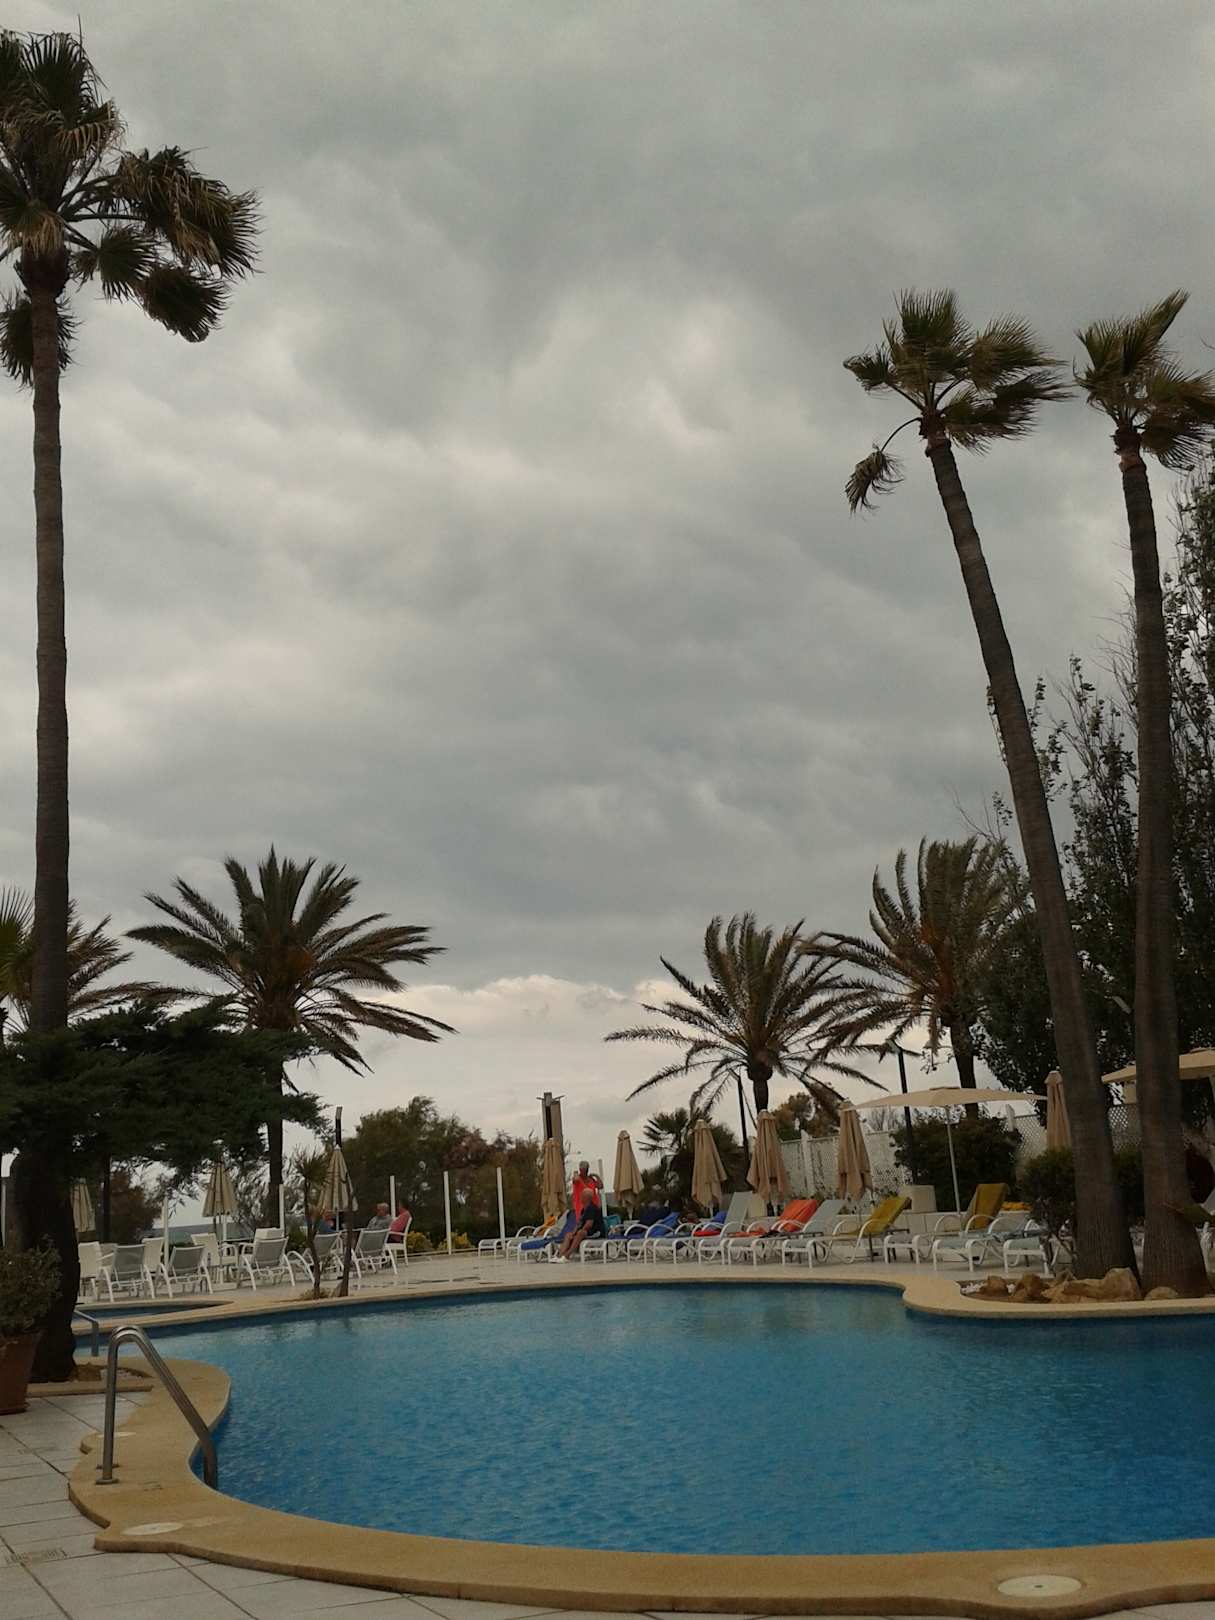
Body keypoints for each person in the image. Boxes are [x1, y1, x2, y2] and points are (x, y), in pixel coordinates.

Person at [551, 1195, 605, 1262]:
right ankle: (560, 1255)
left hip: (596, 1232)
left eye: (582, 1197)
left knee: (580, 1233)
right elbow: (579, 1223)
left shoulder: (592, 1208)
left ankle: (567, 1256)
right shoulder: (584, 1209)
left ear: (586, 1198)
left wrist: (578, 1232)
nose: (580, 1198)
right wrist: (573, 1233)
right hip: (587, 1232)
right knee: (568, 1235)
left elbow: (589, 1224)